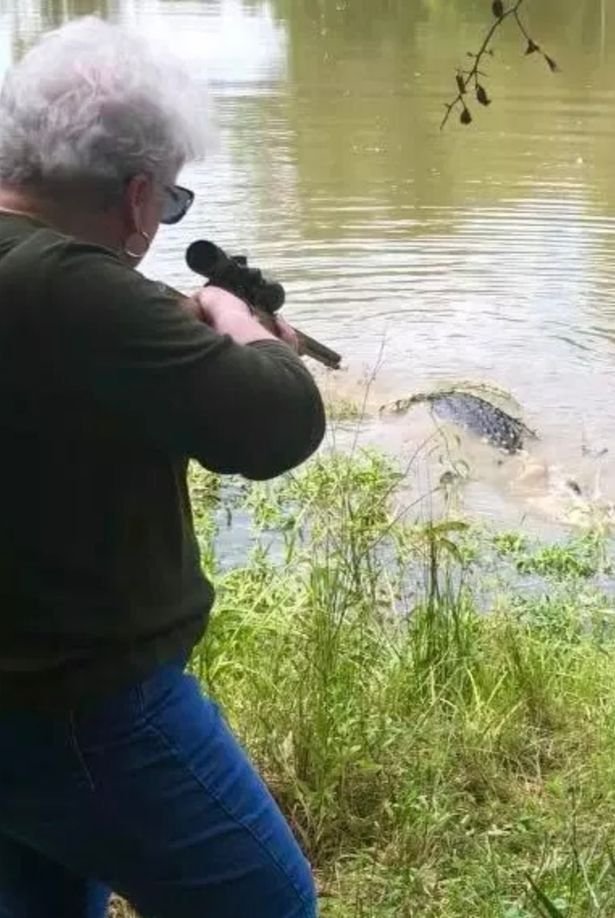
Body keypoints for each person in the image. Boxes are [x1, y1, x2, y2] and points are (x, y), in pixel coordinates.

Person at [0, 16, 325, 918]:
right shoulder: (73, 287)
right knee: (270, 900)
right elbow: (276, 423)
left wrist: (179, 323)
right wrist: (243, 322)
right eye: (172, 201)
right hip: (83, 706)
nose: (161, 223)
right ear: (139, 195)